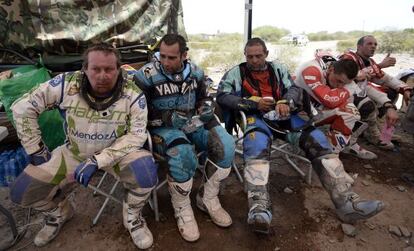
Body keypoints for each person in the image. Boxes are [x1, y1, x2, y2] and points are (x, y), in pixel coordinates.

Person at [216, 37, 384, 234]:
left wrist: (286, 102)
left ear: (266, 54)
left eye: (258, 56)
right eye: (249, 56)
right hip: (255, 117)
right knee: (256, 143)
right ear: (245, 55)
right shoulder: (236, 72)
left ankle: (345, 202)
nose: (254, 60)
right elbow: (222, 96)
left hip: (285, 115)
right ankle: (259, 207)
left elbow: (294, 88)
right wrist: (254, 104)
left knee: (318, 140)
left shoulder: (278, 69)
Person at [9, 43, 158, 249]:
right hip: (73, 152)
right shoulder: (65, 84)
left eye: (109, 69)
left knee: (146, 173)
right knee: (22, 191)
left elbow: (136, 136)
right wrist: (35, 148)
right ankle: (59, 213)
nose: (102, 76)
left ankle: (132, 217)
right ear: (85, 69)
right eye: (96, 69)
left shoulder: (133, 94)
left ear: (119, 69)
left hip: (113, 154)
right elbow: (21, 107)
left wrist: (98, 161)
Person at [134, 34, 235, 242]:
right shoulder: (144, 75)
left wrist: (206, 106)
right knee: (183, 153)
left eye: (172, 58)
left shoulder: (196, 72)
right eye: (162, 56)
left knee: (226, 145)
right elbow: (134, 112)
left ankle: (207, 198)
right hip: (160, 129)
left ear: (184, 55)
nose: (165, 62)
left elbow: (205, 96)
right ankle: (182, 207)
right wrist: (164, 116)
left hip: (193, 123)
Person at [294, 50, 377, 160]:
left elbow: (355, 91)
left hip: (315, 107)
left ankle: (349, 144)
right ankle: (328, 157)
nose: (340, 85)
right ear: (331, 69)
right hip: (299, 113)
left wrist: (387, 104)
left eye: (344, 83)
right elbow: (329, 100)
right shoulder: (311, 70)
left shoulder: (337, 68)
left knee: (365, 106)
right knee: (349, 112)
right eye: (339, 81)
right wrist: (349, 86)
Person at [340, 35, 412, 149]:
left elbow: (385, 78)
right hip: (342, 95)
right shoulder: (348, 57)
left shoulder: (369, 61)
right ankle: (371, 134)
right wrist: (380, 65)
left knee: (391, 91)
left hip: (359, 92)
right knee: (369, 103)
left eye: (375, 44)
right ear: (359, 46)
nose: (373, 46)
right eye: (369, 44)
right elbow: (353, 77)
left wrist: (405, 88)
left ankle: (377, 128)